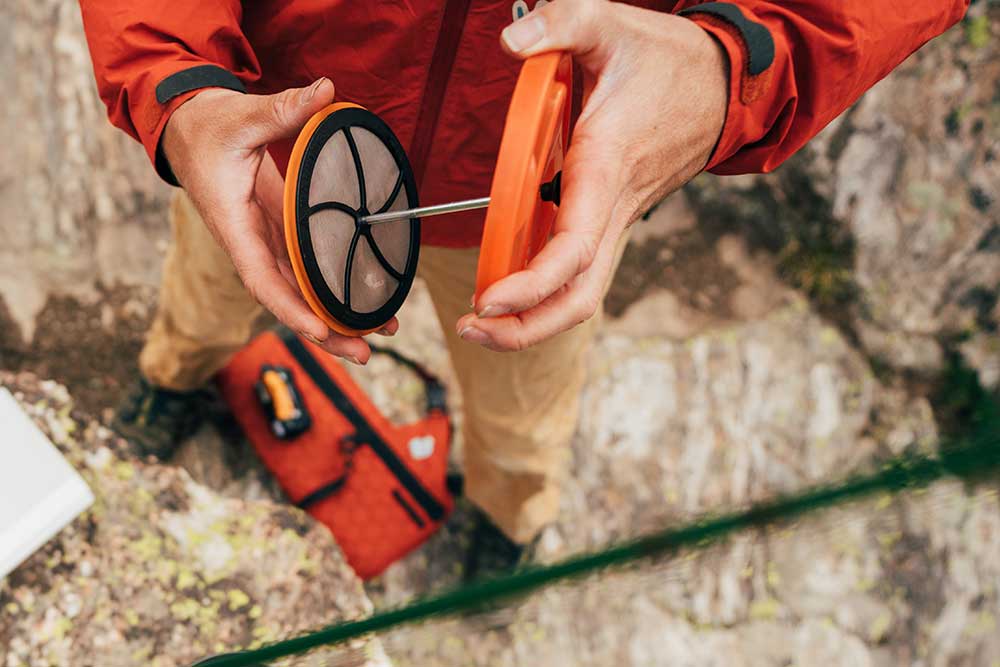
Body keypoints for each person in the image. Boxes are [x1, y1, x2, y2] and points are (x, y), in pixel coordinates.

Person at [78, 0, 967, 578]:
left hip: (531, 197)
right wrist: (178, 83)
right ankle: (177, 375)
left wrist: (736, 64)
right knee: (206, 288)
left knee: (522, 401)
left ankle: (508, 519)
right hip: (277, 147)